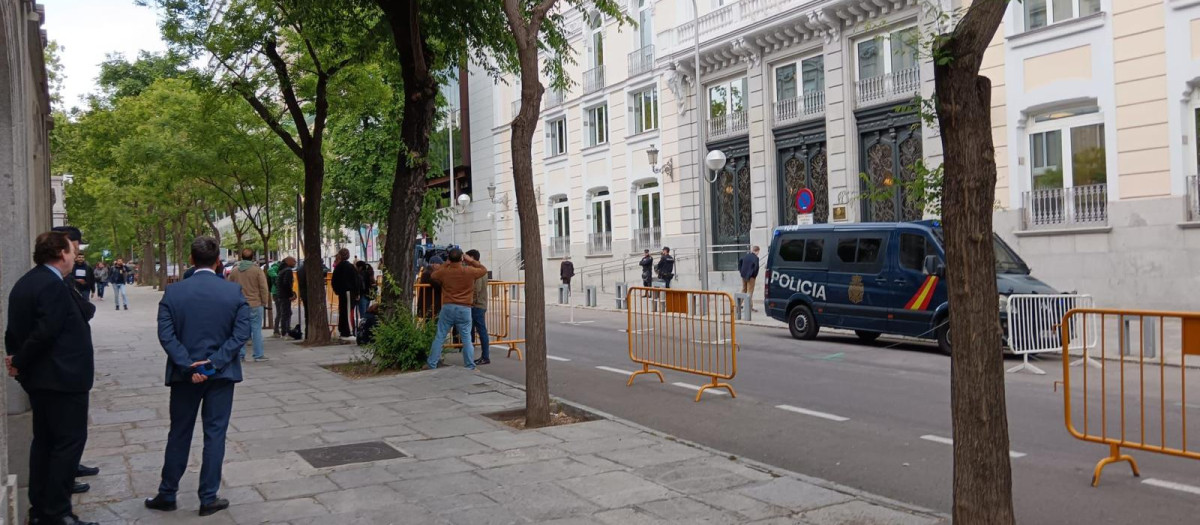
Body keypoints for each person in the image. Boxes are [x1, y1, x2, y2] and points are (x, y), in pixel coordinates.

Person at [144, 236, 249, 518]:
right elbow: (241, 334)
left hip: (184, 377)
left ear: (191, 260)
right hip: (221, 375)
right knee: (215, 434)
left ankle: (168, 493)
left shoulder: (174, 293)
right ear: (218, 262)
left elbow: (166, 335)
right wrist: (212, 364)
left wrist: (189, 365)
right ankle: (208, 497)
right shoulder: (233, 293)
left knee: (179, 432)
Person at [5, 231, 99, 525]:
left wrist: (19, 362)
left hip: (45, 380)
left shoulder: (31, 282)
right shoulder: (51, 285)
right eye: (72, 251)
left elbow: (14, 332)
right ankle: (58, 513)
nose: (75, 256)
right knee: (66, 445)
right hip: (62, 380)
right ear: (61, 253)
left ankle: (41, 510)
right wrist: (19, 361)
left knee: (44, 444)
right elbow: (45, 332)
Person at [426, 248, 487, 370]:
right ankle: (469, 365)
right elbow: (483, 270)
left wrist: (446, 264)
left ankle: (432, 363)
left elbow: (433, 275)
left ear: (449, 258)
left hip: (448, 306)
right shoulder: (469, 271)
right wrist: (471, 261)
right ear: (461, 258)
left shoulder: (445, 272)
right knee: (466, 338)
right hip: (464, 308)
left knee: (440, 336)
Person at [226, 249, 270, 362]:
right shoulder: (257, 271)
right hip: (255, 303)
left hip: (239, 304)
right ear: (252, 258)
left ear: (241, 257)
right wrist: (264, 301)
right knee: (256, 330)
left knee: (240, 330)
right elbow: (263, 287)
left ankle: (240, 355)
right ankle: (258, 354)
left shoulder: (234, 271)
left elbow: (229, 287)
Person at [466, 249, 491, 366]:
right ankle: (478, 356)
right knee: (476, 331)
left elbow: (477, 288)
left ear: (472, 257)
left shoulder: (478, 270)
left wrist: (472, 302)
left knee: (481, 331)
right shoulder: (481, 268)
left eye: (467, 257)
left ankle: (485, 357)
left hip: (477, 305)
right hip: (479, 304)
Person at [331, 248, 359, 338]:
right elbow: (355, 281)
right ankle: (348, 330)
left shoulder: (338, 267)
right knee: (348, 311)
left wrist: (337, 291)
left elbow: (334, 281)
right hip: (349, 292)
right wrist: (357, 293)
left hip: (342, 293)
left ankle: (343, 329)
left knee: (342, 310)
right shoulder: (350, 267)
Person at [274, 257, 296, 338]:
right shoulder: (288, 270)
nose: (295, 263)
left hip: (281, 294)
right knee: (286, 313)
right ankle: (285, 332)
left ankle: (285, 331)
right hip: (285, 295)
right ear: (288, 261)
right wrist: (291, 294)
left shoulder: (281, 270)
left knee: (285, 313)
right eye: (293, 261)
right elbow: (287, 283)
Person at [739, 245, 761, 312]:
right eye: (758, 252)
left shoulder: (746, 256)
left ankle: (738, 305)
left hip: (744, 275)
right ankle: (749, 307)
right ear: (757, 251)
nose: (758, 253)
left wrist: (741, 271)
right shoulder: (756, 258)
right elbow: (756, 268)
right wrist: (754, 275)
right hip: (751, 277)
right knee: (750, 291)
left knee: (744, 290)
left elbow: (740, 262)